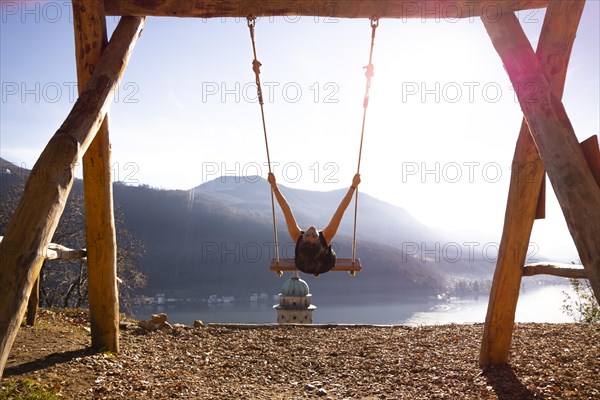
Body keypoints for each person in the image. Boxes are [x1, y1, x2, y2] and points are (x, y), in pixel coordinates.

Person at [267, 172, 361, 276]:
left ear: (303, 238)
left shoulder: (296, 236)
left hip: (303, 267)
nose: (311, 230)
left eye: (307, 235)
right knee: (322, 255)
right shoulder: (327, 237)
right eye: (314, 235)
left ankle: (313, 266)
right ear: (319, 240)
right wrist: (353, 186)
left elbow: (286, 209)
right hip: (326, 265)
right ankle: (317, 270)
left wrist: (274, 187)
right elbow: (341, 210)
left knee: (308, 255)